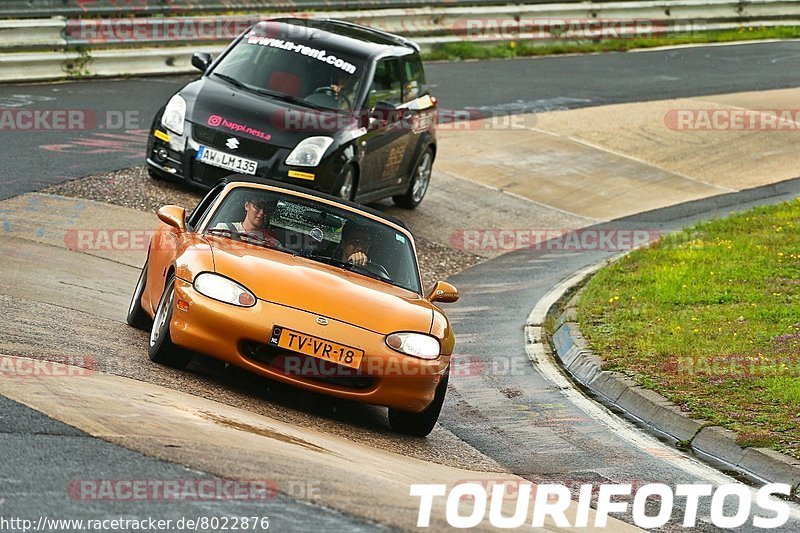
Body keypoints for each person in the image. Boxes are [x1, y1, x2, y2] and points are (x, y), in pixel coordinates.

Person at [214, 195, 282, 247]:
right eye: (257, 206)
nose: (262, 212)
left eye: (267, 209)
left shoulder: (273, 245)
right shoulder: (223, 230)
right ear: (247, 206)